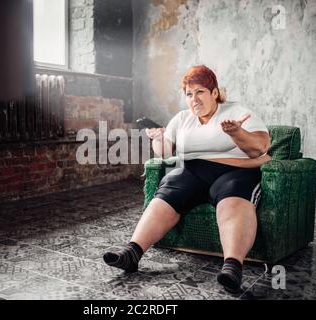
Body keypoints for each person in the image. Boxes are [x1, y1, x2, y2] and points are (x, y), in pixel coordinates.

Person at [103, 65, 271, 293]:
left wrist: (236, 133)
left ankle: (232, 266)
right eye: (189, 94)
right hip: (193, 171)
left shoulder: (236, 110)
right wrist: (158, 138)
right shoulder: (182, 118)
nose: (195, 99)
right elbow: (164, 152)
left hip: (235, 171)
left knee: (232, 197)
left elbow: (261, 148)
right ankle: (132, 252)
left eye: (200, 92)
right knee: (169, 190)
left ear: (214, 93)